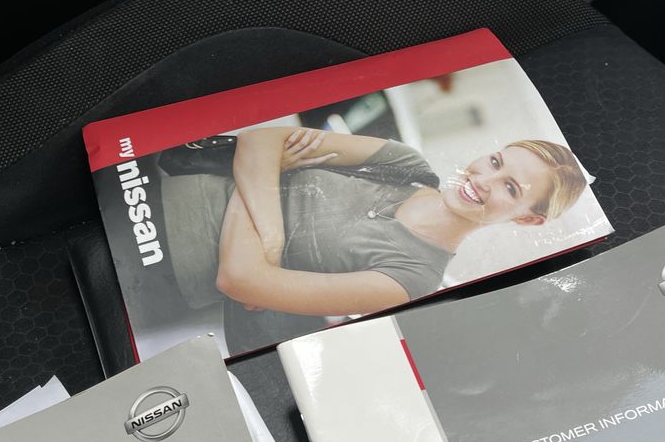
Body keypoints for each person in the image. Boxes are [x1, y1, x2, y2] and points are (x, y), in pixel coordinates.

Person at [159, 126, 589, 319]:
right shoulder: (405, 165)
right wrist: (269, 234)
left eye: (510, 188)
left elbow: (238, 279)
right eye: (495, 162)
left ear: (528, 219)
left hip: (159, 277)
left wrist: (270, 174)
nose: (483, 180)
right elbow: (259, 141)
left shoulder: (412, 278)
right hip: (157, 194)